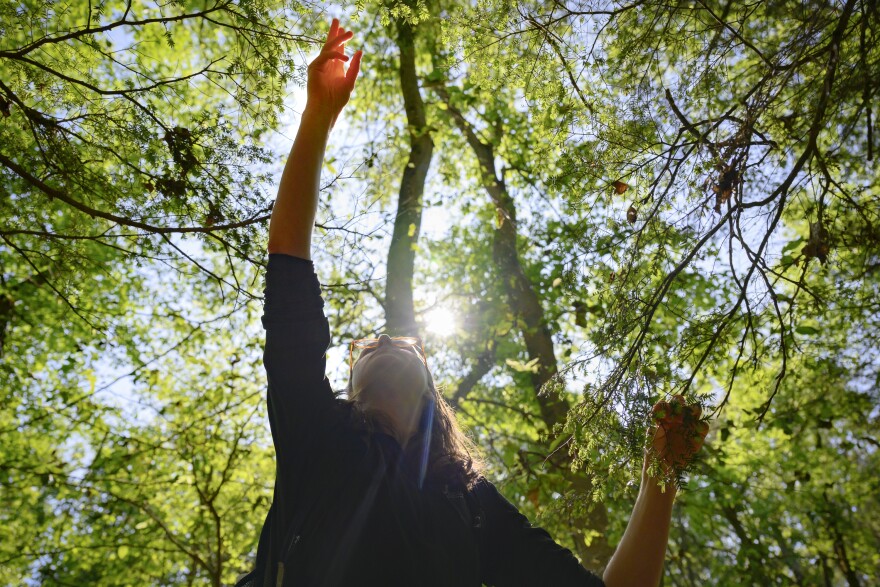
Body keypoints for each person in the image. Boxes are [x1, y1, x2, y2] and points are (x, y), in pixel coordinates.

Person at [238, 17, 708, 587]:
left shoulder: (470, 503)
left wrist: (661, 473)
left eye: (405, 343)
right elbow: (288, 257)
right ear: (351, 387)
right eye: (370, 344)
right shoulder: (316, 434)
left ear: (434, 397)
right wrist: (317, 116)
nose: (388, 339)